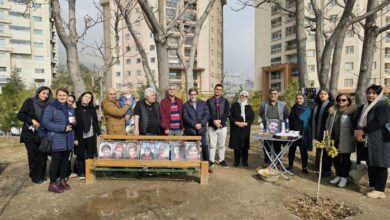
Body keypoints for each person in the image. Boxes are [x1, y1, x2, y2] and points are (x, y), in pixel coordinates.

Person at [353, 85, 390, 199]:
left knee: (380, 164)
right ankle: (372, 186)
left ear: (379, 95)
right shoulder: (367, 106)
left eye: (374, 93)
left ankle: (379, 190)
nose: (370, 95)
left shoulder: (382, 105)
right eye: (369, 93)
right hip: (369, 139)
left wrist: (363, 130)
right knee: (371, 163)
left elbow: (380, 121)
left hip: (380, 140)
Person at [41, 88, 75, 193]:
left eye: (64, 95)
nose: (62, 97)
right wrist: (62, 128)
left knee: (65, 161)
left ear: (67, 96)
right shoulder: (51, 107)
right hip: (56, 138)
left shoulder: (69, 108)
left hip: (68, 139)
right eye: (60, 95)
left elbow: (72, 121)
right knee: (56, 162)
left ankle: (62, 180)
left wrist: (74, 122)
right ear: (56, 95)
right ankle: (52, 184)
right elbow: (46, 123)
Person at [17, 86, 52, 184]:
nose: (45, 95)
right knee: (33, 156)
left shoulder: (48, 105)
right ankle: (35, 176)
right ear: (38, 92)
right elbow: (20, 115)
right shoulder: (29, 101)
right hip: (30, 134)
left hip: (43, 134)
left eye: (47, 94)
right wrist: (31, 120)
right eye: (43, 93)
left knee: (43, 156)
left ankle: (41, 175)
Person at [326, 94, 355, 187]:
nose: (341, 101)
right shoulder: (333, 110)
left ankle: (344, 177)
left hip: (346, 139)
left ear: (348, 101)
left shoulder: (352, 112)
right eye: (339, 100)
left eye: (343, 100)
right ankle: (338, 175)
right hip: (334, 139)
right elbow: (328, 123)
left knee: (345, 159)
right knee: (335, 158)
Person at [74, 92, 101, 179]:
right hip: (80, 136)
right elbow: (74, 125)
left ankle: (89, 172)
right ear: (81, 97)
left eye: (89, 98)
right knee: (81, 154)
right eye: (86, 97)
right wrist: (75, 138)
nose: (87, 99)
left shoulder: (92, 109)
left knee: (90, 154)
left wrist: (99, 133)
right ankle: (81, 172)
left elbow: (95, 122)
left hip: (91, 135)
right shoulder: (76, 109)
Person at [259, 88, 289, 166]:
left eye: (275, 94)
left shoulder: (283, 104)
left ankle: (277, 163)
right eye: (271, 94)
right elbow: (260, 114)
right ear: (269, 94)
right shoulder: (263, 104)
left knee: (277, 147)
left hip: (278, 130)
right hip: (267, 130)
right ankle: (267, 163)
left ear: (277, 95)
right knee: (267, 146)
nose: (273, 95)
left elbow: (286, 115)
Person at [287, 93, 312, 174]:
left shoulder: (308, 109)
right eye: (297, 98)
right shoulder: (293, 108)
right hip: (293, 132)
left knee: (303, 151)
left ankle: (304, 167)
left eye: (300, 98)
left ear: (304, 99)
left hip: (303, 133)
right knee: (291, 150)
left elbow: (305, 120)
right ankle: (290, 165)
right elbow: (290, 119)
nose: (298, 100)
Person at [183, 88, 210, 163]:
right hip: (191, 130)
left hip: (201, 130)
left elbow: (207, 115)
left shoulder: (203, 103)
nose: (193, 96)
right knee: (191, 147)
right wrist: (194, 124)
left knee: (204, 146)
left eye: (194, 94)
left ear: (197, 94)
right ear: (189, 95)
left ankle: (206, 162)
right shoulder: (185, 105)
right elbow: (186, 117)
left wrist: (201, 124)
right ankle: (192, 163)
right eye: (191, 94)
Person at [229, 91, 254, 167]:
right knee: (236, 146)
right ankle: (236, 161)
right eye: (242, 95)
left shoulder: (249, 106)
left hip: (245, 129)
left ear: (247, 97)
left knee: (244, 146)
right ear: (240, 96)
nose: (244, 97)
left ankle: (244, 161)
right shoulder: (234, 105)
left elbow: (252, 117)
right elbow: (231, 116)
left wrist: (246, 123)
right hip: (236, 128)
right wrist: (236, 122)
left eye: (246, 96)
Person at [207, 84, 230, 168]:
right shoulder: (208, 101)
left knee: (222, 145)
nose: (218, 91)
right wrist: (214, 121)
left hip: (222, 126)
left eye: (220, 90)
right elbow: (207, 113)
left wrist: (220, 121)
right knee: (212, 145)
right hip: (212, 126)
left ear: (222, 91)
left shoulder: (225, 101)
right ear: (214, 90)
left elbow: (227, 112)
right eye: (217, 89)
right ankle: (211, 161)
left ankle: (221, 160)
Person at [312, 89, 334, 176]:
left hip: (327, 131)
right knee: (319, 150)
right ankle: (319, 166)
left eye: (325, 94)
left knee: (326, 151)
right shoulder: (317, 105)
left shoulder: (331, 105)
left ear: (328, 95)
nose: (323, 95)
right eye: (321, 94)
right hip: (318, 130)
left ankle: (327, 170)